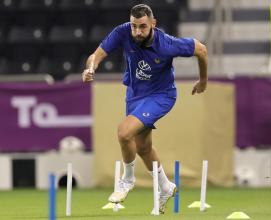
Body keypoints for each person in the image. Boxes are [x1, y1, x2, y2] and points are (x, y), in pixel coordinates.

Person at [81, 4, 208, 214]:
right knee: (143, 147)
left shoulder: (167, 44)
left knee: (124, 133)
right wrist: (90, 67)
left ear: (153, 24)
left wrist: (203, 81)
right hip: (134, 95)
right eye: (134, 26)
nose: (137, 32)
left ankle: (127, 180)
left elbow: (201, 49)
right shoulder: (123, 31)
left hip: (161, 95)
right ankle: (166, 187)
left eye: (142, 27)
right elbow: (97, 54)